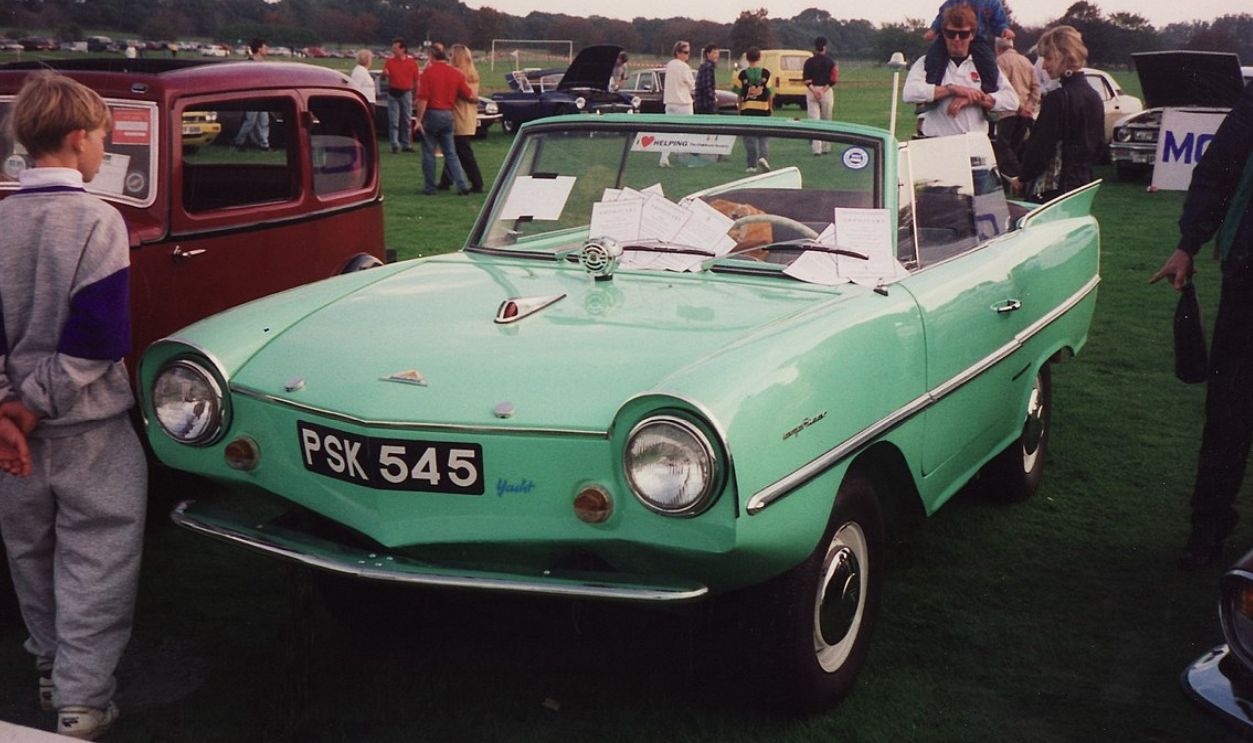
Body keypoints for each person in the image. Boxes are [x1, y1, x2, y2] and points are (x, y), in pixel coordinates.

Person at [0, 70, 148, 740]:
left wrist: (6, 408)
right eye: (102, 144)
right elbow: (98, 339)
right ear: (79, 139)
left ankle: (50, 666)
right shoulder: (98, 219)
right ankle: (81, 698)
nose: (102, 156)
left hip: (10, 437)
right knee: (97, 557)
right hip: (86, 431)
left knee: (30, 553)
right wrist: (28, 408)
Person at [1150, 82, 1253, 570]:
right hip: (1249, 272)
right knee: (1232, 404)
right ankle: (1207, 527)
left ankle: (1209, 530)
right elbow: (1218, 170)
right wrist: (1189, 243)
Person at [1009, 26, 1102, 202]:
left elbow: (1039, 150)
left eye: (1049, 58)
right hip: (1083, 189)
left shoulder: (1057, 99)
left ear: (1066, 58)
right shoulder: (1094, 96)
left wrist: (1022, 178)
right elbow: (1097, 147)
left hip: (1054, 192)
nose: (1044, 65)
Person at [902, 4, 1018, 138]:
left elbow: (1012, 100)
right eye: (951, 34)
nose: (957, 39)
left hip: (974, 144)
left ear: (972, 35)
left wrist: (975, 98)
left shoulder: (985, 65)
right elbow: (909, 93)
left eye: (963, 34)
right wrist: (952, 89)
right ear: (944, 33)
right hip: (935, 142)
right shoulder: (926, 62)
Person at [414, 42, 475, 195]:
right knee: (451, 153)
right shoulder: (455, 73)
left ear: (431, 56)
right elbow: (469, 95)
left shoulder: (428, 73)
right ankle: (462, 185)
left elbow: (423, 99)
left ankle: (430, 187)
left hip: (432, 114)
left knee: (428, 152)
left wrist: (418, 120)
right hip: (448, 115)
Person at [923, 0, 1013, 95]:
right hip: (949, 35)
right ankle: (931, 86)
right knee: (933, 56)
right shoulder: (952, 2)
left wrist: (1004, 29)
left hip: (977, 37)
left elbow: (999, 20)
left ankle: (989, 90)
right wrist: (933, 30)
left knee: (988, 60)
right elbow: (941, 18)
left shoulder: (991, 3)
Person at [438, 44, 485, 193]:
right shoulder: (472, 75)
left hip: (459, 116)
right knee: (453, 150)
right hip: (467, 115)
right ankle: (445, 180)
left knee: (463, 152)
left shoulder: (458, 75)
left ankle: (477, 182)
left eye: (452, 55)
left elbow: (466, 96)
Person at [993, 36, 1040, 178]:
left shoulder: (1000, 61)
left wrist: (1019, 108)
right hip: (1025, 113)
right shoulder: (1026, 61)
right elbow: (1036, 87)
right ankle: (1009, 182)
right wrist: (1029, 107)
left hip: (1008, 113)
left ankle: (1019, 177)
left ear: (998, 49)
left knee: (1003, 147)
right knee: (1014, 148)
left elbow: (1003, 86)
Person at [734, 47, 773, 173]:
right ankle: (763, 158)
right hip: (763, 109)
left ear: (747, 58)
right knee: (763, 138)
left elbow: (738, 93)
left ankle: (751, 165)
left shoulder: (741, 74)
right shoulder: (767, 73)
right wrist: (770, 108)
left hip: (748, 109)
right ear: (760, 57)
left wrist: (739, 109)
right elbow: (770, 93)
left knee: (749, 138)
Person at [382, 37, 420, 153]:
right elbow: (383, 79)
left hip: (406, 93)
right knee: (394, 120)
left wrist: (416, 96)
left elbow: (416, 81)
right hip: (393, 92)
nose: (393, 50)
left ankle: (406, 144)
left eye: (396, 48)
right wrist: (384, 75)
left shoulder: (412, 63)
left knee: (406, 119)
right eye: (393, 48)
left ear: (403, 49)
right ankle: (394, 143)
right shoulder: (389, 62)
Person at [802, 36, 838, 155]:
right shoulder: (830, 62)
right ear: (824, 47)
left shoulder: (809, 62)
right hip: (826, 91)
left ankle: (816, 149)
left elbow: (806, 80)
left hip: (812, 91)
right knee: (826, 119)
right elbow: (833, 79)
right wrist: (822, 91)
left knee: (814, 120)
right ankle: (826, 147)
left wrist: (814, 91)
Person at [232, 39, 270, 151]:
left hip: (262, 96)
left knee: (264, 122)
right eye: (265, 47)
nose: (267, 50)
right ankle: (238, 143)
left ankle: (264, 145)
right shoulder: (249, 63)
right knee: (250, 121)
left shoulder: (263, 63)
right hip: (253, 97)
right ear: (258, 49)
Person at [694, 44, 719, 115]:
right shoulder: (708, 67)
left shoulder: (705, 66)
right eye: (714, 53)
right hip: (706, 104)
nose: (717, 55)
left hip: (701, 103)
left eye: (717, 53)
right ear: (708, 54)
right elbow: (706, 87)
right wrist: (713, 97)